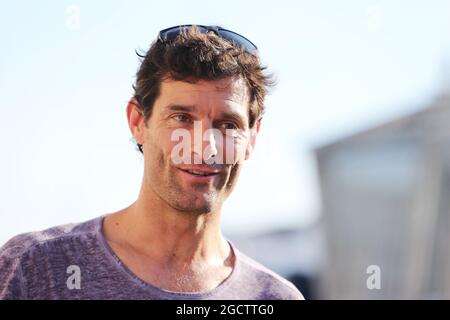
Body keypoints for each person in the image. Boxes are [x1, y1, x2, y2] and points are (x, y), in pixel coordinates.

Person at [0, 24, 304, 300]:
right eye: (182, 118)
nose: (205, 146)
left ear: (252, 137)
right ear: (137, 121)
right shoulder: (36, 268)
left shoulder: (273, 297)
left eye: (228, 125)